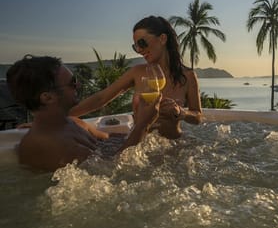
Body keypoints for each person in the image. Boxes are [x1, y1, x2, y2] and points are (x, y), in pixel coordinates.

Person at [6, 55, 160, 172]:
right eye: (72, 83)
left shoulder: (73, 122)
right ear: (48, 97)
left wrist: (145, 124)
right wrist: (142, 125)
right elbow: (114, 170)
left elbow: (109, 140)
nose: (78, 85)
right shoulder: (45, 145)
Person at [69, 16, 202, 139]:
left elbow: (197, 116)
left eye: (142, 43)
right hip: (140, 148)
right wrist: (62, 116)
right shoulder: (137, 73)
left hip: (174, 146)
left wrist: (181, 113)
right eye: (135, 46)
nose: (139, 50)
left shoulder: (188, 76)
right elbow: (101, 98)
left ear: (162, 38)